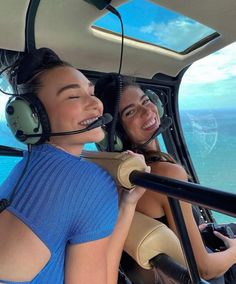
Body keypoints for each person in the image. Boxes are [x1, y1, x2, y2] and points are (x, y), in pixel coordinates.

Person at [0, 49, 147, 284]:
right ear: (33, 116)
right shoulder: (91, 181)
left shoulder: (23, 167)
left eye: (91, 92)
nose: (96, 104)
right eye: (73, 96)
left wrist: (127, 203)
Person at [95, 74, 236, 283]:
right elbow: (204, 269)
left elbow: (167, 228)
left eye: (145, 101)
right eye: (130, 111)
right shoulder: (166, 174)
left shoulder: (118, 175)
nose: (147, 111)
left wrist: (195, 229)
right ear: (116, 132)